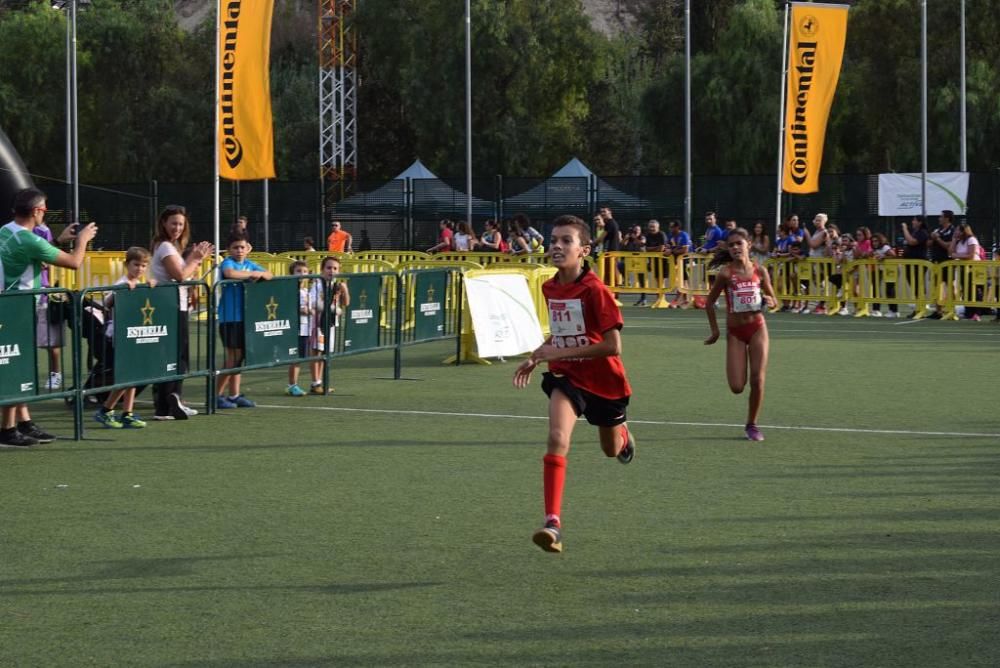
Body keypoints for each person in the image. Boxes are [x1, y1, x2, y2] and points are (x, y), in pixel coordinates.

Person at [513, 214, 635, 554]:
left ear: (584, 249)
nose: (557, 246)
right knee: (556, 437)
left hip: (603, 379)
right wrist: (539, 355)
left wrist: (562, 348)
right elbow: (562, 333)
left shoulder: (596, 291)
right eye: (554, 239)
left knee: (610, 450)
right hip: (566, 375)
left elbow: (613, 346)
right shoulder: (549, 286)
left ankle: (624, 435)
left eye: (566, 240)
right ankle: (553, 523)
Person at [0, 187, 98, 446]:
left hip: (9, 305)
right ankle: (7, 429)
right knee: (15, 366)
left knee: (16, 364)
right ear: (35, 211)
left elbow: (33, 253)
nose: (45, 213)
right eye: (44, 209)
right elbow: (74, 262)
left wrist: (57, 241)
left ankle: (24, 422)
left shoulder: (6, 231)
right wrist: (83, 240)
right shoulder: (30, 240)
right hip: (17, 308)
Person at [703, 228, 778, 442]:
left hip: (757, 328)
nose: (735, 247)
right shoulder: (725, 274)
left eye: (739, 243)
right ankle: (750, 421)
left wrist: (772, 302)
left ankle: (752, 424)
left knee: (758, 379)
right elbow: (709, 303)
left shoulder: (760, 271)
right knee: (737, 387)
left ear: (749, 245)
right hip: (735, 332)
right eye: (731, 244)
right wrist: (715, 331)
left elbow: (774, 300)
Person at [149, 204, 213, 421]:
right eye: (173, 223)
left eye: (181, 224)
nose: (177, 227)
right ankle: (167, 403)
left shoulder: (170, 246)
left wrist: (194, 260)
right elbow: (180, 275)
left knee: (177, 355)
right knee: (174, 355)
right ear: (163, 223)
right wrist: (195, 258)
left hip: (176, 305)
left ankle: (172, 401)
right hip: (170, 307)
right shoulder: (165, 247)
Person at [93, 247, 156, 429]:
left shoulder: (140, 281)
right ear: (127, 264)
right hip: (119, 335)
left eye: (144, 266)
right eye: (136, 265)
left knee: (133, 374)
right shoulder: (122, 282)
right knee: (126, 376)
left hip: (135, 333)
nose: (140, 269)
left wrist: (150, 286)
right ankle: (106, 410)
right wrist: (120, 291)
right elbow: (106, 302)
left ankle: (127, 413)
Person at [215, 232, 272, 408]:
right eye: (235, 247)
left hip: (245, 317)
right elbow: (229, 273)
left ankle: (234, 395)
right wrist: (250, 276)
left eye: (242, 247)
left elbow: (269, 274)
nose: (239, 250)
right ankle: (215, 395)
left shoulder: (249, 264)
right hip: (229, 317)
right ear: (229, 250)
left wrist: (257, 274)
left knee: (240, 358)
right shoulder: (228, 263)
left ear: (248, 248)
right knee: (232, 358)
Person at [309, 256, 350, 394]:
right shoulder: (317, 284)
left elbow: (346, 303)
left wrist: (344, 290)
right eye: (328, 268)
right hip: (318, 322)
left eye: (335, 268)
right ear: (322, 270)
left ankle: (320, 382)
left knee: (325, 353)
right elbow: (314, 303)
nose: (331, 271)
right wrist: (333, 309)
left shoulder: (336, 284)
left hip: (331, 323)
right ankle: (315, 383)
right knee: (317, 352)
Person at [32, 219, 63, 390]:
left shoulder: (43, 231)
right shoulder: (13, 232)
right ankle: (25, 373)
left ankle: (55, 373)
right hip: (23, 294)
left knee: (50, 341)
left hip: (42, 293)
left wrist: (48, 284)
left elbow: (49, 257)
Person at [286, 260, 316, 397]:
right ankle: (292, 385)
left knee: (301, 357)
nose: (302, 274)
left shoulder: (305, 290)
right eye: (298, 271)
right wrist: (304, 310)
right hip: (296, 328)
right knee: (296, 358)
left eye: (304, 272)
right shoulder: (291, 289)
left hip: (306, 328)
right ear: (292, 273)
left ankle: (295, 384)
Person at [950, 222, 983, 321]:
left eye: (957, 230)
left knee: (973, 291)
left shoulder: (971, 239)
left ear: (963, 231)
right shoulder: (959, 241)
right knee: (965, 290)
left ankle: (977, 313)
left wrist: (957, 256)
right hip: (963, 268)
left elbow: (971, 255)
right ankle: (968, 312)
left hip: (973, 268)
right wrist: (954, 240)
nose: (955, 232)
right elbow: (950, 252)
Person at [927, 210, 955, 319]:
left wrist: (938, 238)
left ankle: (952, 308)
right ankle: (938, 310)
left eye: (941, 217)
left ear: (947, 218)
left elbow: (949, 246)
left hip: (947, 261)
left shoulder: (952, 230)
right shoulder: (937, 230)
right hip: (936, 261)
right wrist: (932, 238)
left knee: (949, 285)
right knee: (936, 286)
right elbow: (928, 244)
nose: (939, 218)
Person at [667, 220, 692, 308]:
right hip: (677, 260)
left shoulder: (684, 235)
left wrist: (672, 251)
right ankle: (686, 300)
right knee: (682, 280)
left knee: (683, 280)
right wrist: (667, 249)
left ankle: (677, 300)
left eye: (672, 227)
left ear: (677, 227)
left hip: (687, 260)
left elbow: (685, 250)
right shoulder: (671, 235)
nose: (670, 228)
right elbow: (668, 246)